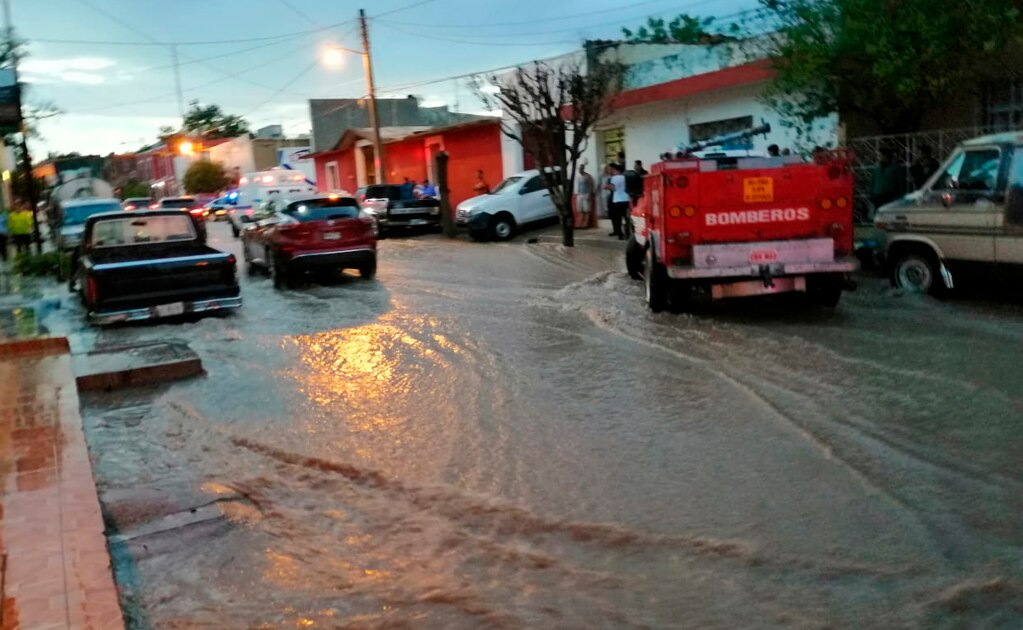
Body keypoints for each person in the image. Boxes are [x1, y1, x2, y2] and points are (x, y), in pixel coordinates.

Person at [604, 163, 630, 239]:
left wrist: (607, 186)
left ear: (617, 170)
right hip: (626, 199)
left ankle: (620, 235)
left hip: (617, 200)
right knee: (626, 218)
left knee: (618, 218)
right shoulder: (626, 177)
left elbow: (613, 188)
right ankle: (628, 233)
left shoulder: (614, 178)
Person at [574, 164, 596, 229]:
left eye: (581, 169)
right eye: (579, 169)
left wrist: (589, 194)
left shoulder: (587, 176)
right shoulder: (578, 176)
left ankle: (586, 224)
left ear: (583, 168)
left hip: (586, 194)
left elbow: (590, 186)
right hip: (580, 194)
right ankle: (580, 223)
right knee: (581, 210)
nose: (580, 170)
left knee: (587, 210)